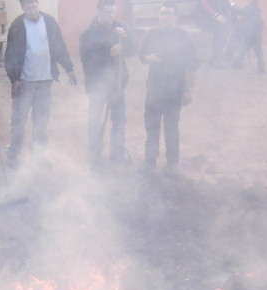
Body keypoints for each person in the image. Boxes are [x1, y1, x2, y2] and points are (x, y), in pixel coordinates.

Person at [4, 0, 77, 168]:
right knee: (19, 120)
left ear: (38, 4)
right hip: (25, 82)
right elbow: (11, 54)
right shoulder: (17, 25)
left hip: (45, 80)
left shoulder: (50, 22)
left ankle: (38, 156)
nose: (32, 10)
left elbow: (59, 46)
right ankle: (13, 155)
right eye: (28, 8)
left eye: (34, 6)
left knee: (41, 121)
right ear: (23, 8)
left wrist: (68, 68)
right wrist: (14, 78)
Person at [140, 2, 199, 173]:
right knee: (151, 127)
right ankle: (149, 161)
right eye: (163, 13)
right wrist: (147, 58)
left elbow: (193, 65)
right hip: (154, 90)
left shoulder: (184, 37)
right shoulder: (151, 34)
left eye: (169, 14)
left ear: (176, 17)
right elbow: (141, 55)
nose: (165, 17)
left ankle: (172, 163)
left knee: (171, 128)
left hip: (174, 90)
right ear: (159, 16)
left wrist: (189, 90)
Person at [79, 0, 135, 167]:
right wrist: (108, 54)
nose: (111, 16)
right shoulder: (88, 33)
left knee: (119, 119)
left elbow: (133, 50)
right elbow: (87, 61)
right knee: (95, 120)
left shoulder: (120, 27)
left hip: (117, 84)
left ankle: (117, 153)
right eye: (107, 13)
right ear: (98, 12)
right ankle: (95, 152)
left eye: (113, 12)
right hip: (97, 86)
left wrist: (125, 37)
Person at [230, 0, 264, 73]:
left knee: (243, 50)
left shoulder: (248, 9)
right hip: (257, 35)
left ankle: (237, 65)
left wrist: (231, 3)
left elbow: (238, 10)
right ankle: (261, 69)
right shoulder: (257, 10)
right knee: (259, 52)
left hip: (249, 35)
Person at [198, 0, 232, 68]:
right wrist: (216, 16)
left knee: (221, 39)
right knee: (218, 40)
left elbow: (228, 3)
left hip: (220, 19)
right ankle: (217, 61)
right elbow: (205, 3)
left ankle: (215, 59)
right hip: (210, 19)